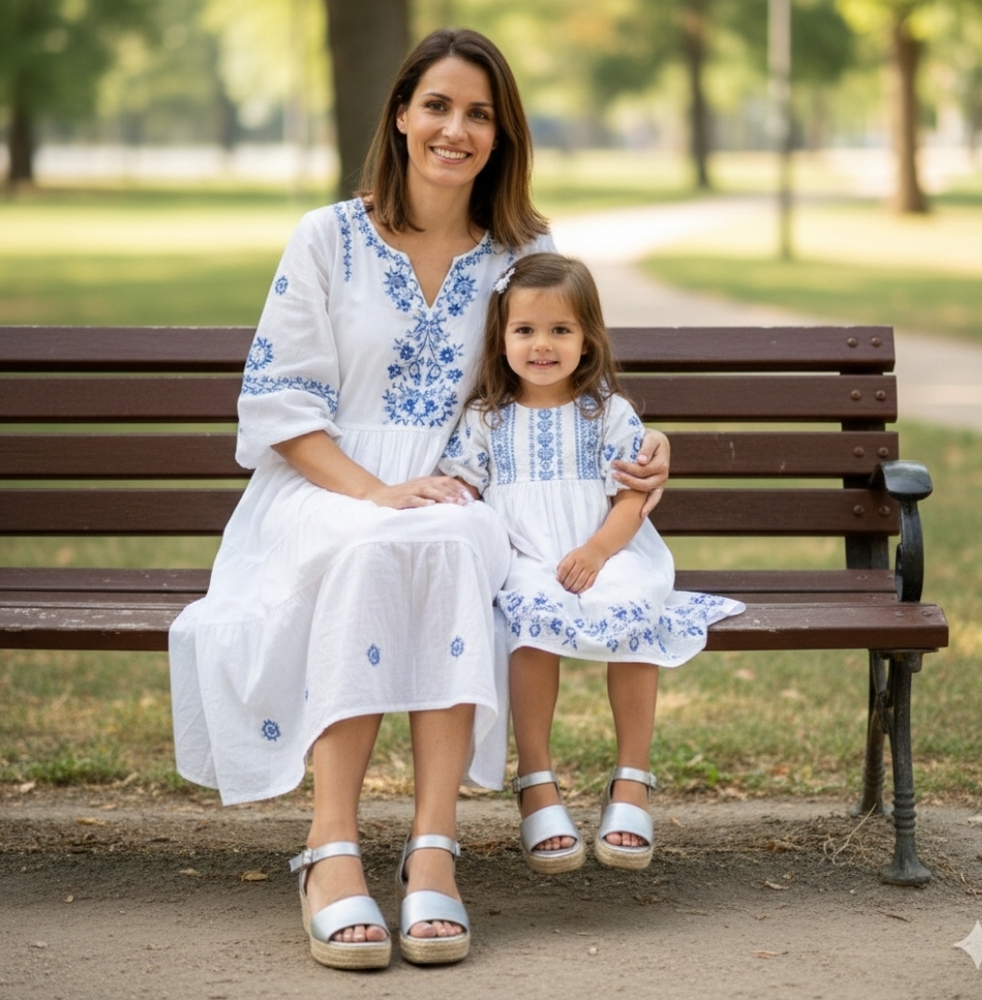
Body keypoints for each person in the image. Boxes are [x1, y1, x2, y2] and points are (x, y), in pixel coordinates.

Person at [169, 29, 670, 970]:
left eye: (479, 113)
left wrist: (652, 446)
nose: (455, 129)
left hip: (464, 488)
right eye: (437, 105)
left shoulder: (523, 250)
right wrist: (375, 492)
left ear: (501, 134)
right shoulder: (327, 237)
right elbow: (280, 404)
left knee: (445, 540)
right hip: (324, 484)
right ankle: (330, 849)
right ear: (400, 114)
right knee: (376, 544)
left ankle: (433, 847)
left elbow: (570, 379)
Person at [439, 253, 744, 875]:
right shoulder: (485, 417)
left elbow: (632, 498)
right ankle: (536, 780)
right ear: (501, 338)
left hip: (609, 549)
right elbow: (463, 487)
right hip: (527, 558)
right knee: (528, 620)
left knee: (632, 614)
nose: (542, 345)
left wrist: (599, 551)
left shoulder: (605, 412)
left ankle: (632, 776)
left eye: (560, 330)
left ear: (587, 339)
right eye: (525, 330)